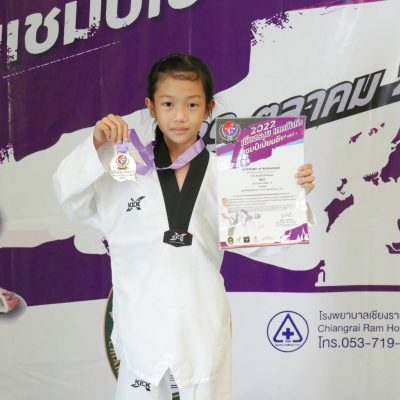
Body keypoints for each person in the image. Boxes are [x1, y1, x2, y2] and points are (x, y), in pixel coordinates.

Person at [53, 53, 314, 400]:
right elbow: (70, 197)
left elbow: (270, 240)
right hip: (140, 328)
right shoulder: (125, 169)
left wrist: (292, 193)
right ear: (151, 107)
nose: (179, 116)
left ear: (208, 108)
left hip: (200, 328)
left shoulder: (230, 172)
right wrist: (96, 144)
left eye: (192, 104)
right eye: (168, 104)